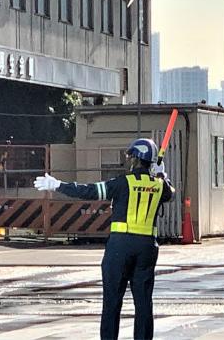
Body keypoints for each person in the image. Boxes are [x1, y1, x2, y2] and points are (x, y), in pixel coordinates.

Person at [36, 138, 174, 340]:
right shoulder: (160, 186)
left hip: (120, 247)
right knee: (144, 302)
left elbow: (89, 191)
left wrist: (58, 185)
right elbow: (170, 193)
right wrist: (161, 174)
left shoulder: (121, 183)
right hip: (147, 249)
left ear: (135, 160)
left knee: (112, 301)